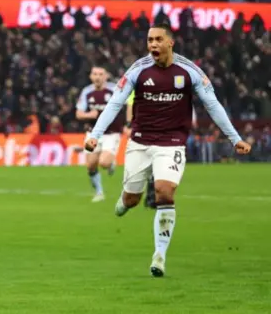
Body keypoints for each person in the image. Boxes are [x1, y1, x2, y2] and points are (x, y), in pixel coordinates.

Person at [84, 23, 251, 277]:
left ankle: (159, 255)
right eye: (150, 40)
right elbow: (115, 103)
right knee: (132, 199)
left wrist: (234, 138)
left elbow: (212, 104)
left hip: (172, 142)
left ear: (170, 43)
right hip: (140, 142)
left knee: (164, 192)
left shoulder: (189, 71)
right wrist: (95, 135)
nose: (152, 45)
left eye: (158, 39)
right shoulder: (138, 70)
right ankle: (125, 200)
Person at [75, 67, 123, 203]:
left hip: (111, 133)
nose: (97, 77)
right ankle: (99, 192)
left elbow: (128, 104)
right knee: (90, 165)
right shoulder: (86, 91)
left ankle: (110, 163)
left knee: (103, 162)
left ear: (106, 76)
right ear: (90, 76)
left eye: (100, 74)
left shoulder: (115, 90)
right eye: (95, 74)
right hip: (93, 133)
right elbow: (78, 113)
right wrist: (89, 114)